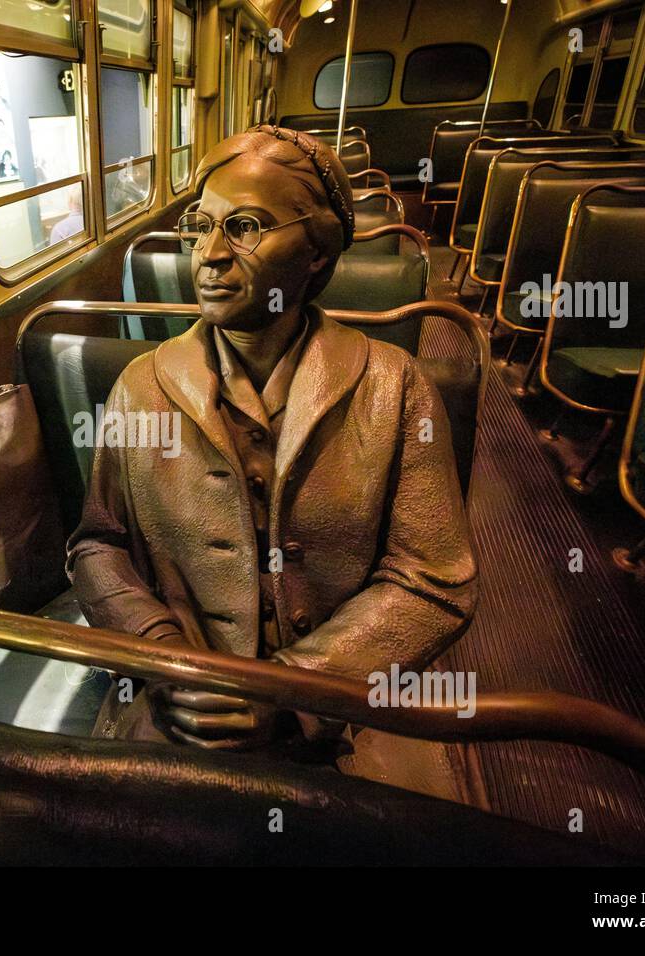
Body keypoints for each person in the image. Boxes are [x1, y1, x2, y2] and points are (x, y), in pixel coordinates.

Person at [67, 126, 477, 769]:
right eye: (200, 226)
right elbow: (99, 545)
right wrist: (161, 656)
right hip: (176, 704)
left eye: (246, 226)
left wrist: (292, 691)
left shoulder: (398, 390)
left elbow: (431, 582)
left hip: (339, 710)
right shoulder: (140, 387)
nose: (209, 254)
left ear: (316, 250)